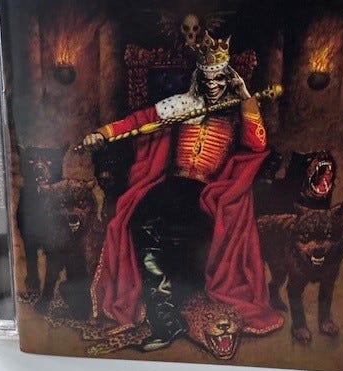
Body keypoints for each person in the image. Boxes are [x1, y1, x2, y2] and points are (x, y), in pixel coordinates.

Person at [83, 33, 283, 351]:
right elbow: (139, 120)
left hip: (207, 192)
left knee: (188, 231)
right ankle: (166, 319)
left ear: (229, 78)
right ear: (199, 78)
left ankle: (172, 313)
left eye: (220, 79)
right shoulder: (183, 104)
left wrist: (245, 95)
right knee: (139, 220)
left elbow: (258, 145)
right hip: (171, 185)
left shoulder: (239, 111)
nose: (213, 85)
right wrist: (103, 133)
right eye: (208, 79)